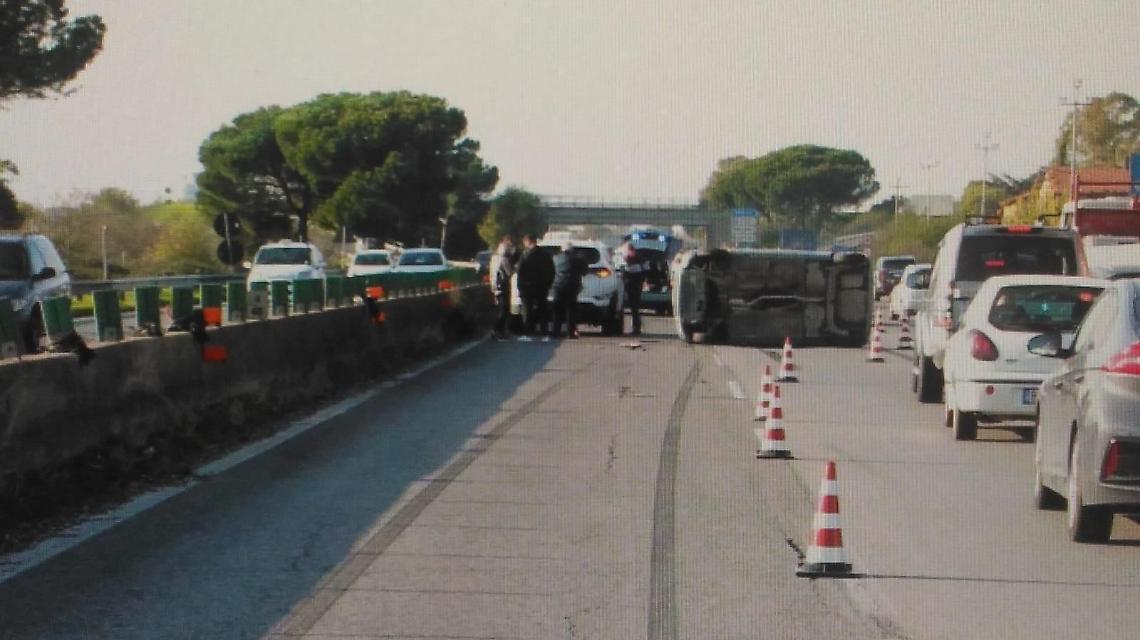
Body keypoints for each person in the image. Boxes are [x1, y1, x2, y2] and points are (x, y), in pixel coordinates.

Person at [516, 234, 555, 342]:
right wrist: (548, 284)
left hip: (527, 287)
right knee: (543, 310)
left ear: (527, 242)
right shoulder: (545, 254)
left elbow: (520, 271)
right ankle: (545, 334)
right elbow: (552, 271)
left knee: (527, 310)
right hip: (542, 287)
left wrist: (520, 286)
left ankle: (527, 333)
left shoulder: (525, 255)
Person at [550, 241, 588, 339]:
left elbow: (551, 271)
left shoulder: (555, 258)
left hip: (558, 286)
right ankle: (570, 332)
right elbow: (585, 272)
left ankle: (556, 332)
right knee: (571, 310)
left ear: (562, 249)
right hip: (573, 286)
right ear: (572, 250)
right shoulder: (578, 259)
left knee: (557, 310)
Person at [490, 235, 515, 341]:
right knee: (504, 310)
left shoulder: (494, 258)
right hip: (502, 286)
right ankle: (498, 331)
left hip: (496, 287)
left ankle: (500, 331)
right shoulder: (503, 259)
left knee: (501, 309)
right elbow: (509, 272)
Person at [620, 240, 647, 335]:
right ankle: (636, 327)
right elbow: (645, 271)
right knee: (635, 307)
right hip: (636, 284)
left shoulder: (628, 258)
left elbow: (624, 271)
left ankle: (636, 328)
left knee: (634, 307)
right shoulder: (640, 258)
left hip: (632, 284)